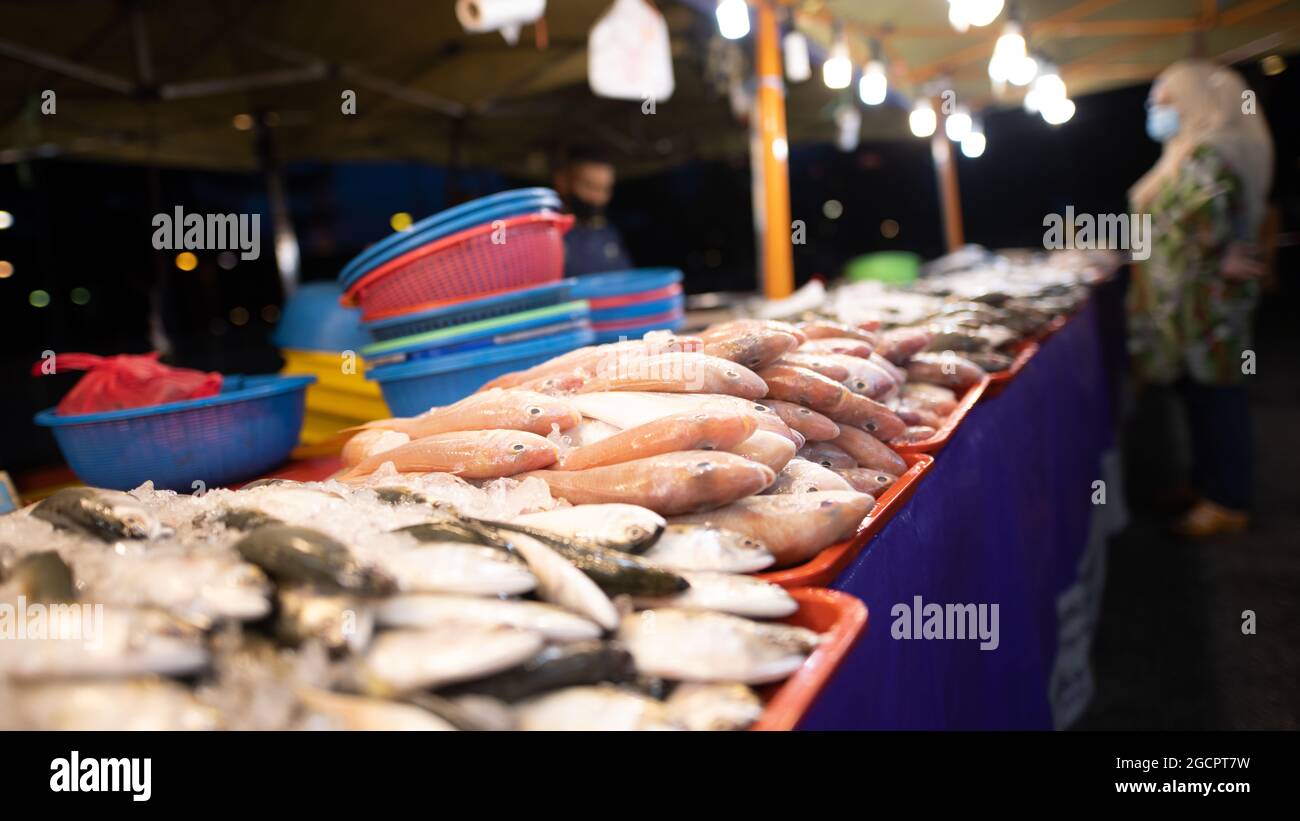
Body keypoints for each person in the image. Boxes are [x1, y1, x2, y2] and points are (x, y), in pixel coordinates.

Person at [1127, 60, 1274, 537]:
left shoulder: (1211, 154)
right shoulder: (1187, 152)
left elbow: (1202, 227)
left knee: (1217, 396)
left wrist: (1218, 257)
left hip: (1209, 309)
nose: (1154, 108)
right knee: (1196, 396)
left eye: (1164, 99)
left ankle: (1228, 499)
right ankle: (1205, 483)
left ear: (1195, 102)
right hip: (1188, 307)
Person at [553, 146, 633, 276]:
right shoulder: (546, 231)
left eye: (604, 189)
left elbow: (626, 280)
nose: (597, 197)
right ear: (562, 181)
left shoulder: (607, 233)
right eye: (589, 186)